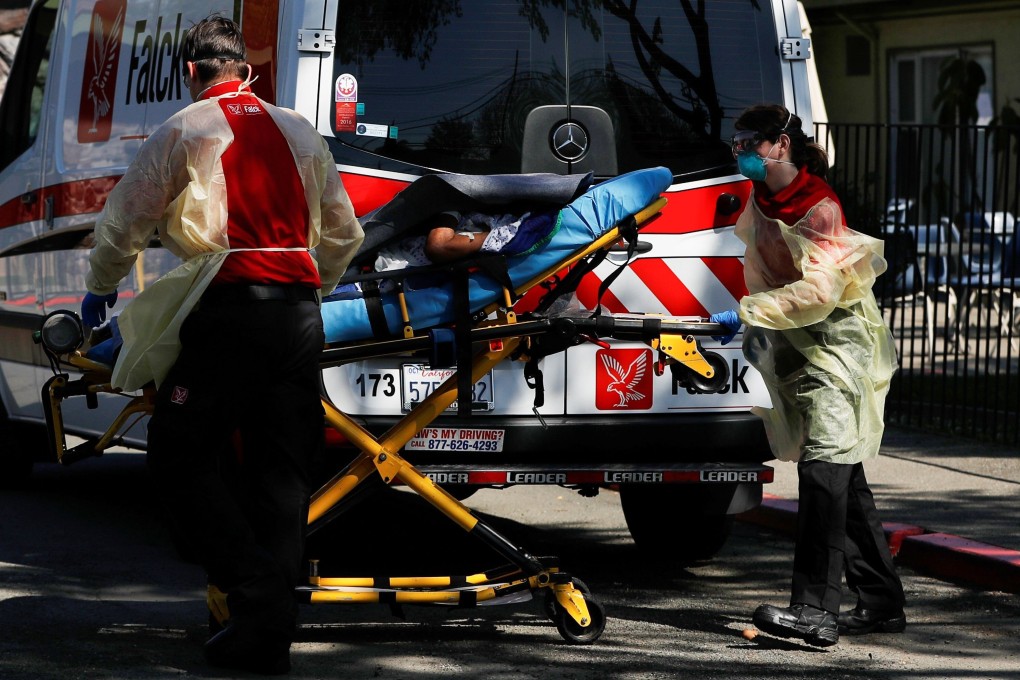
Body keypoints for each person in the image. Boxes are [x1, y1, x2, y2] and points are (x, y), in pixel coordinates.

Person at [81, 15, 364, 675]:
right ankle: (268, 634)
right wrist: (310, 284)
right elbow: (344, 232)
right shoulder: (299, 129)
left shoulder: (185, 129)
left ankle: (257, 594)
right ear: (248, 70)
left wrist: (100, 285)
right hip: (299, 316)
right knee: (282, 474)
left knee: (178, 454)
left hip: (232, 312)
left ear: (190, 72)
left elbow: (127, 218)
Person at [709, 104, 904, 647]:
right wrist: (757, 319)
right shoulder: (761, 198)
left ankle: (815, 611)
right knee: (842, 475)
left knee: (823, 473)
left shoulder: (818, 207)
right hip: (798, 347)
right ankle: (882, 600)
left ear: (781, 144)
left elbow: (820, 290)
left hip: (838, 349)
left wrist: (750, 311)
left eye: (750, 142)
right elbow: (762, 266)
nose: (741, 152)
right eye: (735, 143)